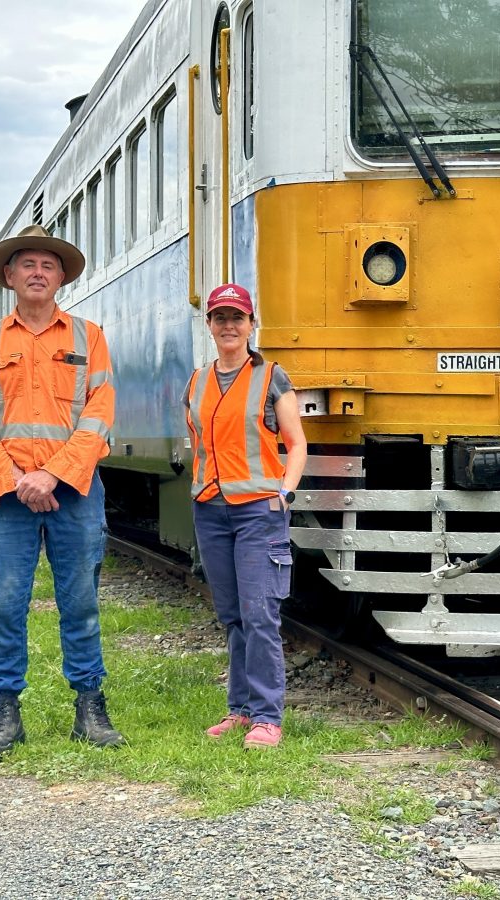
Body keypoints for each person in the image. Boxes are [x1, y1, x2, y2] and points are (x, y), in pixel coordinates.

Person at [0, 224, 124, 760]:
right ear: (9, 276)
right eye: (26, 264)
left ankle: (90, 709)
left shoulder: (88, 336)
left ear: (61, 278)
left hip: (73, 492)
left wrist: (52, 474)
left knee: (81, 603)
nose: (37, 272)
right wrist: (18, 481)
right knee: (6, 606)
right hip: (8, 500)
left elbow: (99, 413)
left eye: (47, 265)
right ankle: (5, 713)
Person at [184, 283, 307, 750]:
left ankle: (267, 717)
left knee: (260, 615)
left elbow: (296, 443)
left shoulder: (272, 376)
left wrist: (285, 492)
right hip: (211, 511)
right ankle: (239, 710)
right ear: (210, 325)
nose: (228, 325)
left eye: (237, 317)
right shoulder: (196, 382)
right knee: (233, 615)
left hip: (259, 511)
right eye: (220, 318)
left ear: (252, 324)